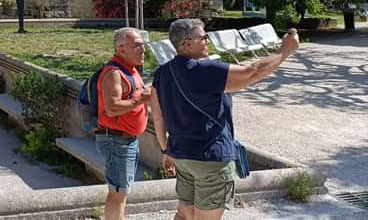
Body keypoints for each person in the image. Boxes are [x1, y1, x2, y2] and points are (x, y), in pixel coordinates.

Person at [151, 19, 300, 220]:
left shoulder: (162, 73)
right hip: (210, 158)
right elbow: (253, 72)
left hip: (180, 154)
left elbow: (158, 116)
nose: (208, 41)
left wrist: (165, 150)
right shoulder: (205, 70)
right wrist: (285, 50)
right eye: (204, 37)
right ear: (188, 43)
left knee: (184, 214)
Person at [95, 27, 152, 220]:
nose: (143, 50)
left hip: (126, 140)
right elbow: (112, 108)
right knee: (118, 193)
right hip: (116, 140)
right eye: (137, 46)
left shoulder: (131, 70)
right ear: (121, 48)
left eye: (143, 45)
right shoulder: (113, 73)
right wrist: (141, 99)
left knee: (121, 191)